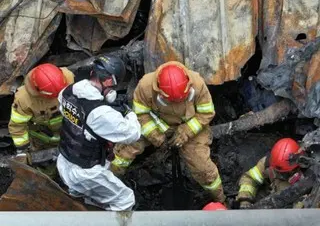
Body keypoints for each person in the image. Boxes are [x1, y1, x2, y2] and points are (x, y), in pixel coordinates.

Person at [111, 61, 226, 203]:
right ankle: (110, 179)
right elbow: (140, 113)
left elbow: (207, 113)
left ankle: (219, 199)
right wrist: (153, 133)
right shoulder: (146, 86)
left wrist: (186, 131)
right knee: (127, 147)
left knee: (201, 166)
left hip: (191, 124)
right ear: (160, 91)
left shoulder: (197, 83)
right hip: (158, 123)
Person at [56, 55, 141, 211]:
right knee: (125, 200)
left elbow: (79, 118)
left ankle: (85, 209)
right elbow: (132, 134)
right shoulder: (100, 114)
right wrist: (129, 113)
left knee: (83, 196)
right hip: (87, 172)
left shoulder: (67, 92)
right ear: (109, 81)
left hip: (65, 161)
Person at [8, 63, 74, 177]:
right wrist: (22, 150)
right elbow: (17, 125)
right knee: (46, 170)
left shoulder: (69, 77)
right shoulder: (24, 99)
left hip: (70, 134)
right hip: (42, 140)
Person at [236, 138, 304, 209]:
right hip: (270, 198)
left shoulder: (306, 177)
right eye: (277, 171)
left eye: (284, 173)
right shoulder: (268, 164)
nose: (280, 175)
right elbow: (250, 178)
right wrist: (245, 200)